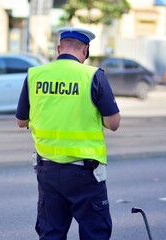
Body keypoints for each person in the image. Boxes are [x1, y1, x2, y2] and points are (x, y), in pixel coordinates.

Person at [15, 27, 121, 239]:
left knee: (51, 233)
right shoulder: (93, 76)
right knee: (94, 233)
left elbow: (21, 121)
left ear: (58, 49)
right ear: (86, 50)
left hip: (48, 170)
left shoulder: (35, 75)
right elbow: (113, 122)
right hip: (85, 172)